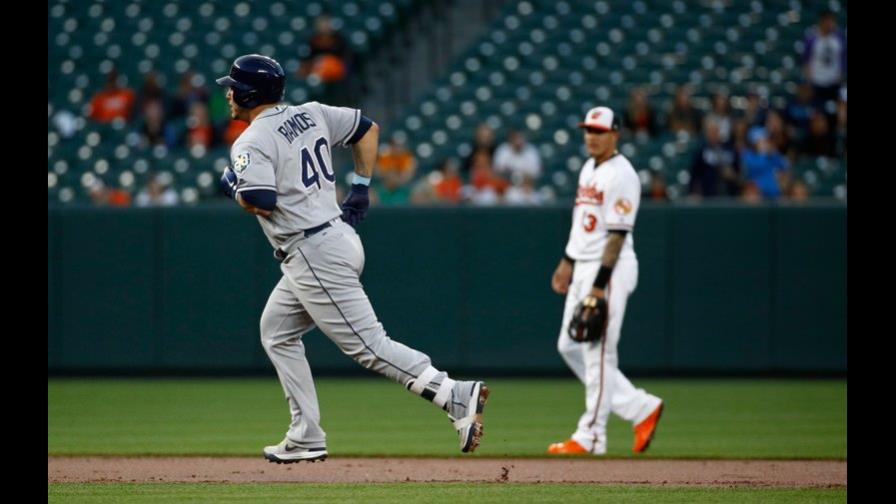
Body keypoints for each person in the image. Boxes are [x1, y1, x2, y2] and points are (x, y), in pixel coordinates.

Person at [215, 54, 489, 463]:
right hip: (336, 235)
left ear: (249, 94)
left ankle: (453, 393)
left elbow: (260, 200)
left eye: (234, 87)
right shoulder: (311, 113)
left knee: (369, 345)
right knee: (276, 332)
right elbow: (367, 129)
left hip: (312, 251)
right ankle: (306, 434)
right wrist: (360, 186)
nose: (229, 94)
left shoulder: (252, 140)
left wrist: (233, 187)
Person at [547, 106, 663, 456]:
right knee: (570, 345)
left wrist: (599, 285)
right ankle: (641, 408)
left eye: (599, 131)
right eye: (588, 130)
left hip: (609, 268)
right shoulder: (589, 167)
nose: (592, 137)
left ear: (615, 134)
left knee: (598, 351)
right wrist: (567, 261)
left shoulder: (622, 175)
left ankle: (592, 436)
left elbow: (616, 235)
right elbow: (584, 221)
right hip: (582, 263)